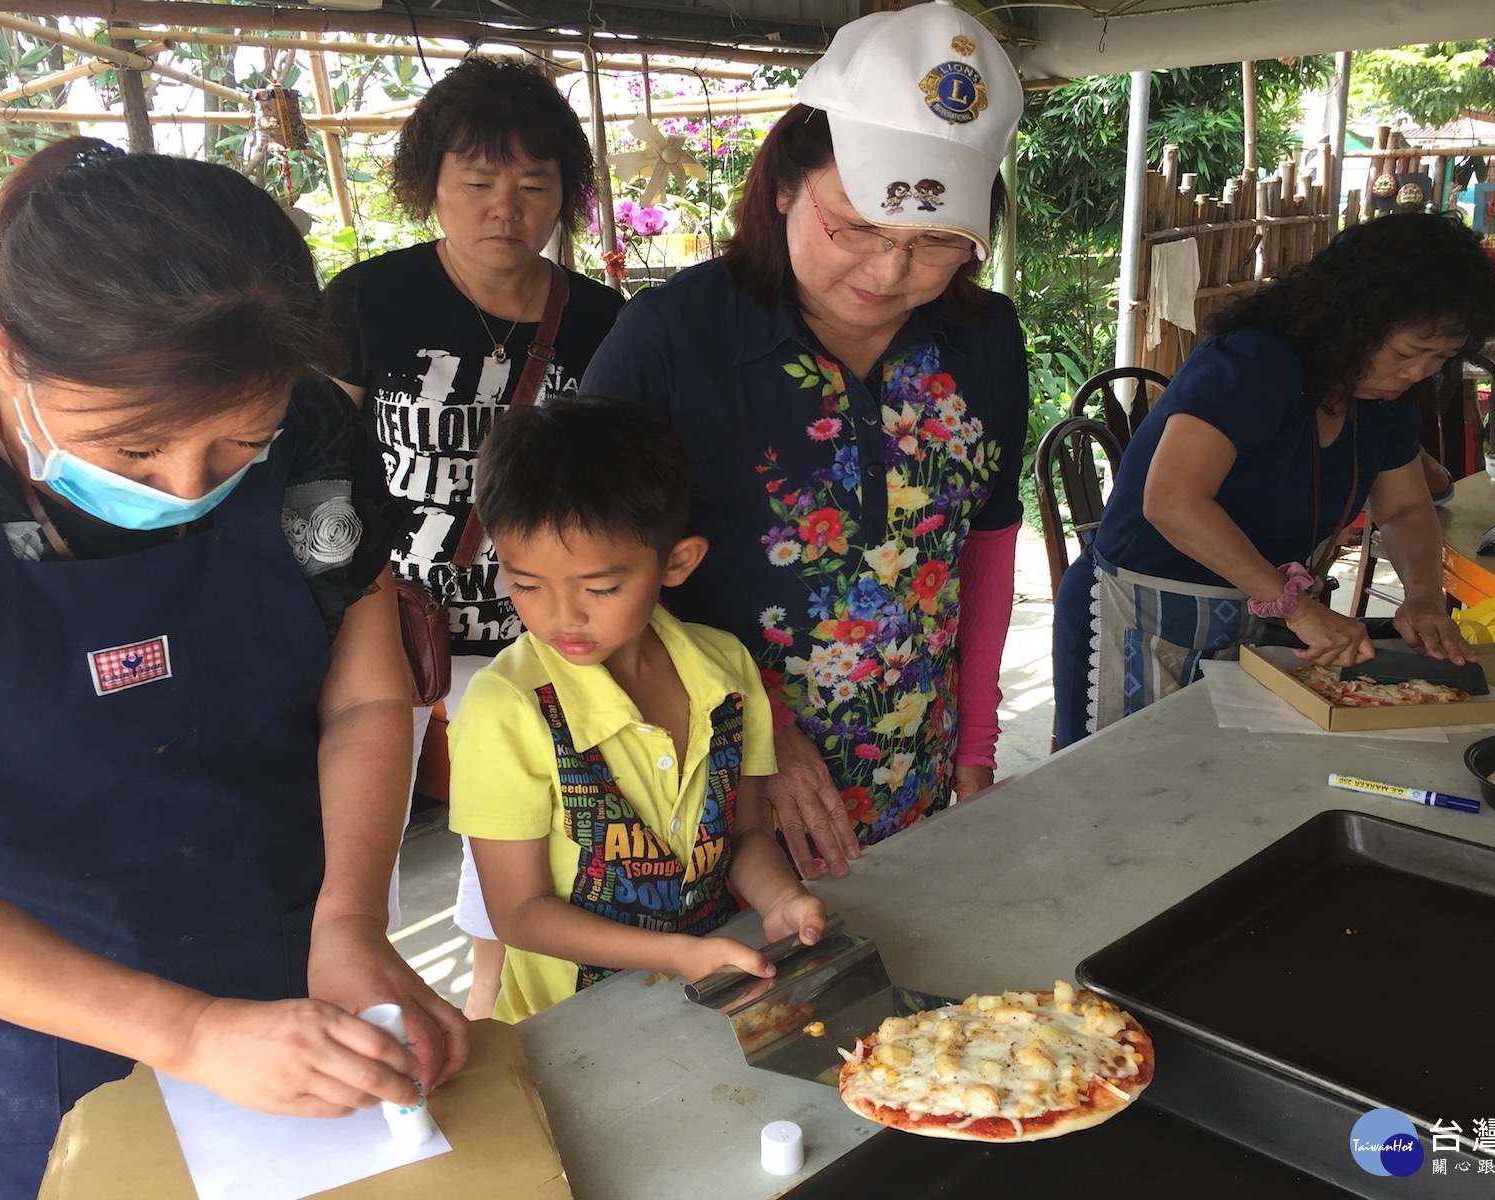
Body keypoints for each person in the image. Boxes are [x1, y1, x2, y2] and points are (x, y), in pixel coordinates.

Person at [0, 139, 467, 1200]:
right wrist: (187, 1032)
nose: (189, 488)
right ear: (3, 349)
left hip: (297, 931)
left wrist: (353, 923)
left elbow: (367, 693)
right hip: (42, 997)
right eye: (135, 450)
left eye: (238, 446)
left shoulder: (318, 435)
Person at [582, 0, 1028, 879]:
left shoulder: (983, 340)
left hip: (914, 764)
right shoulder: (671, 340)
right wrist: (758, 729)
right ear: (786, 181)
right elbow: (579, 572)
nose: (889, 271)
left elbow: (988, 543)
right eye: (856, 226)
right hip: (708, 777)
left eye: (936, 241)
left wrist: (974, 745)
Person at [324, 56, 625, 1019]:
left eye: (534, 184)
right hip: (389, 619)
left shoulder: (603, 324)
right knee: (349, 831)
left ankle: (489, 1007)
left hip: (535, 624)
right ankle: (352, 993)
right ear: (432, 187)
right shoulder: (368, 303)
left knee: (515, 821)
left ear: (562, 197)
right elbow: (317, 462)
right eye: (478, 181)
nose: (506, 206)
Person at [1052, 211, 1495, 748]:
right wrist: (1297, 608)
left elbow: (1404, 508)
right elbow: (1173, 500)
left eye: (1440, 359)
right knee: (1120, 789)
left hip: (1250, 624)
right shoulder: (1254, 361)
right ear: (1355, 320)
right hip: (1141, 613)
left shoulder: (1384, 403)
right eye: (1408, 353)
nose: (1417, 373)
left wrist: (1422, 597)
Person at [443, 396, 828, 1021]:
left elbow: (747, 834)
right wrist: (676, 954)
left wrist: (780, 897)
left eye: (599, 588)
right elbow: (518, 912)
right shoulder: (505, 708)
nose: (560, 616)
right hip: (569, 1024)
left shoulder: (726, 671)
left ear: (676, 563)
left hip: (708, 994)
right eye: (526, 585)